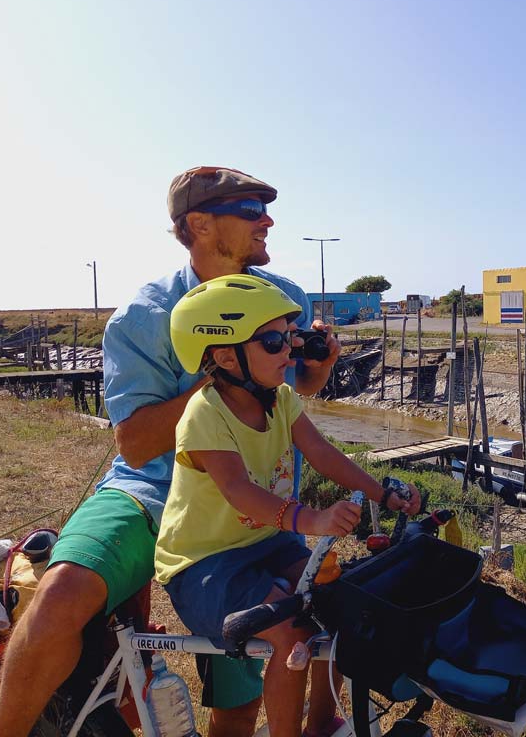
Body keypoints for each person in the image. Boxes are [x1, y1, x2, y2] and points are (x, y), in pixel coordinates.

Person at [0, 166, 341, 737]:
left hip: (246, 503)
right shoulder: (145, 316)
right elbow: (133, 443)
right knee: (59, 597)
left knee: (246, 678)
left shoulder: (288, 298)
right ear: (199, 225)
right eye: (251, 209)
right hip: (148, 487)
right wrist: (223, 367)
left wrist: (313, 369)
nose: (269, 219)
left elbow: (296, 388)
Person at [156, 274, 421, 737]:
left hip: (267, 544)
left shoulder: (280, 400)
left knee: (339, 603)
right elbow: (239, 490)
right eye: (275, 341)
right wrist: (312, 519)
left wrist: (384, 493)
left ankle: (321, 724)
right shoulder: (204, 414)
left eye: (290, 338)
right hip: (203, 565)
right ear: (223, 355)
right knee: (292, 631)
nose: (290, 352)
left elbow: (323, 454)